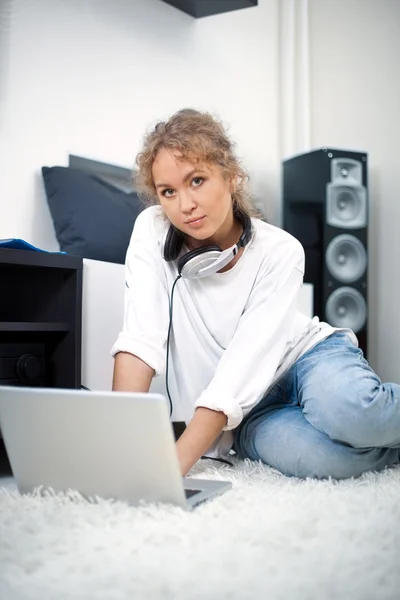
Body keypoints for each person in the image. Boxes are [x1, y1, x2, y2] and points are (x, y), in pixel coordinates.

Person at [111, 108, 400, 480]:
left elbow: (243, 362)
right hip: (250, 411)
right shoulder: (151, 231)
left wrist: (169, 469)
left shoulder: (281, 251)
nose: (184, 205)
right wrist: (117, 446)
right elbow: (140, 340)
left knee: (355, 417)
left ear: (232, 177)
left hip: (303, 360)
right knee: (330, 461)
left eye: (197, 180)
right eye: (168, 191)